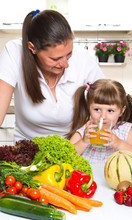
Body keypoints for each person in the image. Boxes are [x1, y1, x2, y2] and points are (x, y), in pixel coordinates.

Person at [0, 9, 104, 142]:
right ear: (32, 48)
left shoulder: (82, 59)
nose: (65, 64)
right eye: (56, 59)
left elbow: (113, 100)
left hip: (74, 147)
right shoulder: (14, 52)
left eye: (69, 54)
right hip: (29, 149)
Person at [67, 79, 132, 164]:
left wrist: (119, 143)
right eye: (97, 109)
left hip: (120, 177)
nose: (103, 116)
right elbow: (65, 158)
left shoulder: (125, 130)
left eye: (110, 111)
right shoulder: (85, 131)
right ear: (89, 107)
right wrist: (83, 142)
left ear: (122, 111)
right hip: (88, 177)